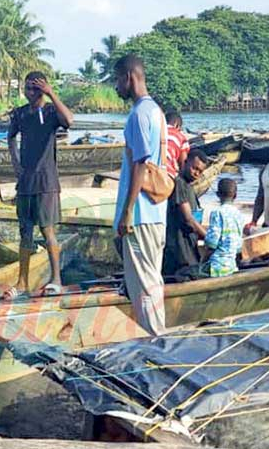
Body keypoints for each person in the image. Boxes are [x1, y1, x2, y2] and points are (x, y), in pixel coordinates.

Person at [4, 71, 74, 298]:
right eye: (27, 88)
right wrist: (16, 163)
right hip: (25, 182)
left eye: (35, 89)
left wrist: (51, 94)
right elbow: (10, 137)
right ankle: (22, 281)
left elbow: (70, 121)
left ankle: (56, 279)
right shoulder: (20, 114)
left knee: (47, 230)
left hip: (46, 181)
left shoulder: (51, 111)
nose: (30, 93)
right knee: (25, 231)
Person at [113, 54, 168, 336]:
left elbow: (140, 164)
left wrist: (127, 212)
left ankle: (158, 344)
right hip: (156, 213)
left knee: (144, 289)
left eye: (117, 80)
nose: (116, 87)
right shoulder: (156, 112)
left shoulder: (138, 115)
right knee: (152, 283)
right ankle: (158, 342)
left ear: (129, 78)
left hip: (141, 216)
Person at [164, 149, 209, 279]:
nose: (197, 173)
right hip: (180, 250)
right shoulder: (180, 184)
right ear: (185, 162)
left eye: (200, 172)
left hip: (190, 245)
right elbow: (189, 219)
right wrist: (209, 237)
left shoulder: (189, 187)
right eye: (194, 168)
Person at [204, 178, 245, 278]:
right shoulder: (239, 215)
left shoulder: (217, 213)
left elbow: (212, 243)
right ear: (235, 195)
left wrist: (203, 260)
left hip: (215, 266)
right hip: (231, 266)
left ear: (218, 194)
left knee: (184, 273)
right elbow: (239, 247)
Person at [164, 110, 189, 179]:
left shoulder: (157, 130)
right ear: (176, 125)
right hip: (166, 173)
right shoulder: (182, 137)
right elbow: (182, 164)